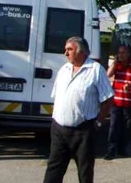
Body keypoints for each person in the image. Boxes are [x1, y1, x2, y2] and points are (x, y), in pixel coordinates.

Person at [43, 37, 114, 183]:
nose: (65, 53)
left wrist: (99, 121)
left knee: (85, 170)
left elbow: (107, 99)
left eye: (69, 49)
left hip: (83, 130)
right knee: (53, 169)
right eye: (66, 49)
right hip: (59, 129)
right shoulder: (64, 69)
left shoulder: (95, 70)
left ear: (81, 52)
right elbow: (57, 96)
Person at [104, 45, 131, 160]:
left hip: (129, 102)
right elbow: (108, 75)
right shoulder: (117, 65)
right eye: (119, 53)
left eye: (123, 53)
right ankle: (111, 150)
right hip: (116, 102)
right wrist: (115, 63)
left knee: (126, 127)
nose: (120, 55)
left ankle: (122, 149)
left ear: (128, 54)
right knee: (114, 126)